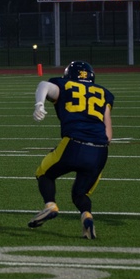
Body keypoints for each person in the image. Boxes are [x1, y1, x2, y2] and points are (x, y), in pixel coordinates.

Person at [28, 61, 114, 239]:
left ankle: (50, 205)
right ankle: (87, 218)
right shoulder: (104, 93)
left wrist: (39, 105)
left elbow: (44, 84)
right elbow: (108, 135)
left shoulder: (65, 85)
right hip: (100, 152)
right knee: (80, 194)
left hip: (74, 144)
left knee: (44, 173)